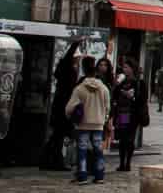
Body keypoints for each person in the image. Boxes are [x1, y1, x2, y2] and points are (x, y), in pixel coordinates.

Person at [65, 57, 111, 184]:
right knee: (98, 150)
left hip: (83, 124)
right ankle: (99, 176)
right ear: (96, 73)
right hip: (98, 124)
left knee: (82, 150)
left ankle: (82, 176)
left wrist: (71, 117)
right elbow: (108, 107)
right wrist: (104, 118)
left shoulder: (80, 88)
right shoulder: (104, 88)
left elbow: (69, 107)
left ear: (84, 73)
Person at [41, 41, 83, 171]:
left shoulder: (66, 71)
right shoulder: (67, 70)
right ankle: (53, 161)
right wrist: (75, 45)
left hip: (61, 106)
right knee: (58, 136)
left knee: (57, 136)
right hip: (62, 107)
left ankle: (49, 160)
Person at [111, 62, 149, 173]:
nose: (124, 69)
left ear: (132, 69)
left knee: (129, 138)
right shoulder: (121, 81)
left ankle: (128, 163)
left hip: (133, 114)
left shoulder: (139, 83)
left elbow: (142, 98)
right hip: (123, 113)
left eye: (127, 67)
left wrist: (132, 96)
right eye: (124, 67)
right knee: (123, 138)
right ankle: (122, 163)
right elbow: (115, 95)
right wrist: (118, 86)